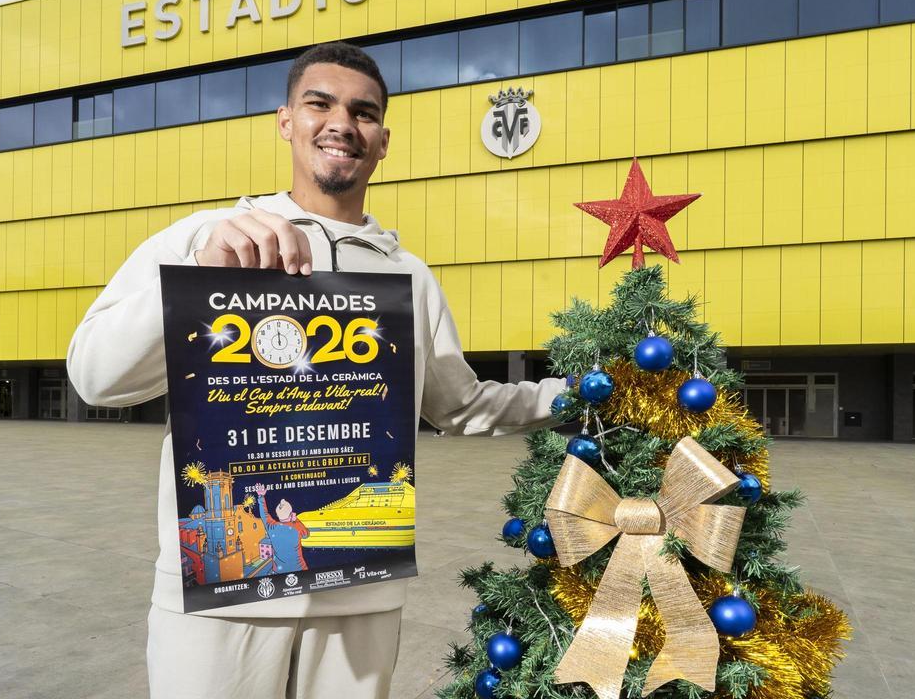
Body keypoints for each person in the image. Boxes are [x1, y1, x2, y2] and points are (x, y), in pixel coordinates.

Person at [66, 41, 564, 699]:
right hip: (221, 597)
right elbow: (96, 377)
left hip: (361, 595)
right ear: (286, 121)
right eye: (319, 104)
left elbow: (461, 405)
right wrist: (195, 281)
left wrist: (580, 396)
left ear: (383, 141)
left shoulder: (408, 277)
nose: (341, 124)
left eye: (363, 113)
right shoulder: (208, 237)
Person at [253, 483, 309, 573]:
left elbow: (264, 514)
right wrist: (296, 520)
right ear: (291, 514)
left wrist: (261, 496)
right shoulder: (297, 527)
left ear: (278, 515)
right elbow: (306, 534)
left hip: (278, 571)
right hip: (300, 569)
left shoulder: (272, 527)